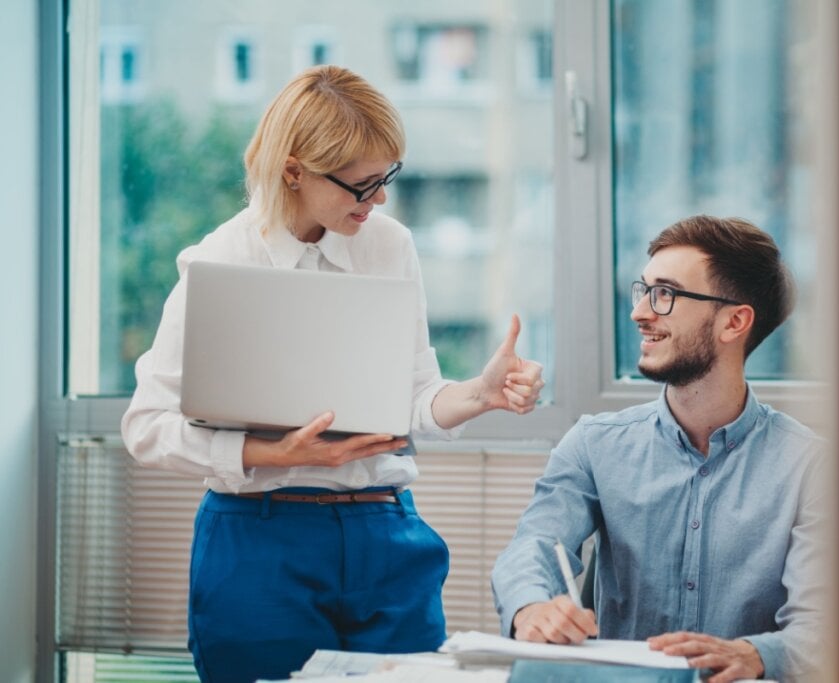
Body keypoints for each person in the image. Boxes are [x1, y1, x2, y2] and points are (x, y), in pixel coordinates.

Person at [121, 65, 544, 683]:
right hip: (260, 538)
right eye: (362, 186)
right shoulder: (220, 259)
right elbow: (146, 427)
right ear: (294, 170)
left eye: (387, 178)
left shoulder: (389, 244)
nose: (379, 200)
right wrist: (271, 451)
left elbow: (416, 396)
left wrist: (480, 394)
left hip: (387, 529)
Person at [491, 215, 826, 683]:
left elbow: (825, 628)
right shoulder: (594, 443)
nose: (640, 313)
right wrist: (531, 607)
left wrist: (754, 654)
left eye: (665, 294)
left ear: (734, 321)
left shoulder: (812, 467)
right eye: (642, 291)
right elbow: (533, 546)